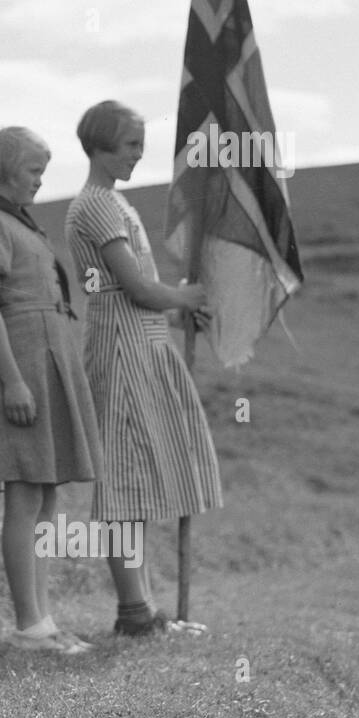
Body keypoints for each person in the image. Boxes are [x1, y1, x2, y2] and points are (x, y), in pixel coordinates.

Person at [64, 100, 221, 636]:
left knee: (143, 472)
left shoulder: (114, 202)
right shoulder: (98, 206)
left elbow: (136, 294)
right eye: (130, 144)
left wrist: (175, 313)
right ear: (101, 145)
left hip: (141, 339)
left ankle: (144, 607)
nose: (138, 154)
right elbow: (134, 287)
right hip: (121, 347)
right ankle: (134, 611)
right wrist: (185, 295)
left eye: (140, 145)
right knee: (126, 474)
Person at [0, 127, 101, 654]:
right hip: (22, 368)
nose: (40, 183)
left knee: (47, 494)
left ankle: (41, 619)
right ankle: (28, 624)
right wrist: (14, 381)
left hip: (49, 364)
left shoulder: (24, 225)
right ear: (4, 168)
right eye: (32, 172)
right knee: (24, 495)